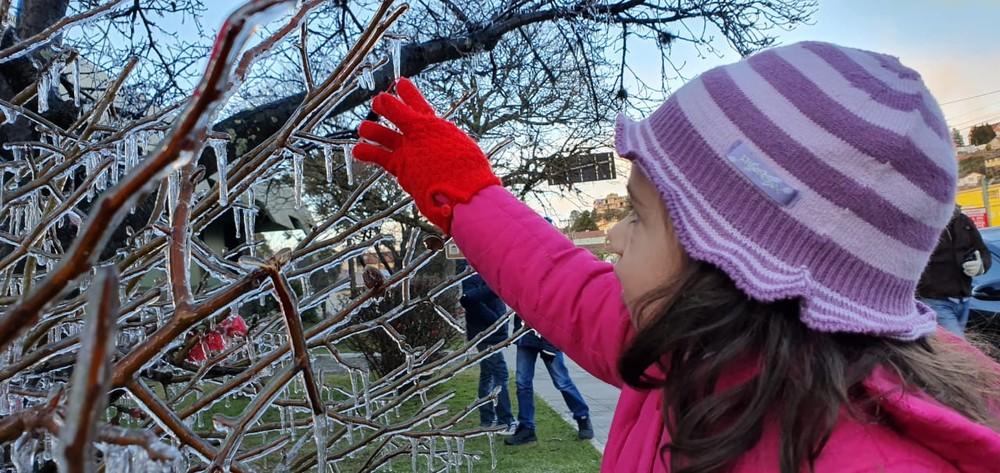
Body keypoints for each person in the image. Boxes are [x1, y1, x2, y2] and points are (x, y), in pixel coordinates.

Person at [354, 41, 1000, 473]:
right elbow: (568, 288)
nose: (611, 239)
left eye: (636, 214)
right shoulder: (687, 342)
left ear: (732, 263)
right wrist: (470, 197)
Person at [505, 314, 594, 445]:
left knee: (562, 381)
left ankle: (582, 416)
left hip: (549, 337)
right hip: (525, 335)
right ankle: (526, 427)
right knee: (522, 383)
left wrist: (551, 347)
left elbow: (557, 311)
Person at [456, 259, 516, 433]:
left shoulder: (483, 266)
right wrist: (494, 320)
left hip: (489, 331)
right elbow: (468, 299)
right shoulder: (471, 266)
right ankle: (504, 421)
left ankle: (488, 418)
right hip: (486, 332)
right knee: (499, 375)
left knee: (488, 375)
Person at [918, 206, 991, 337]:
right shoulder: (922, 223)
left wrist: (981, 266)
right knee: (960, 348)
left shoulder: (964, 221)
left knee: (950, 349)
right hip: (935, 300)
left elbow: (983, 251)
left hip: (965, 299)